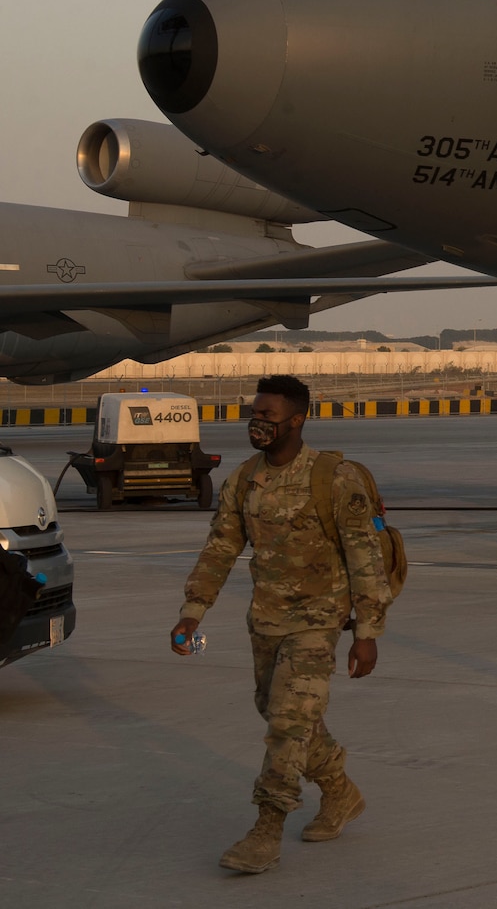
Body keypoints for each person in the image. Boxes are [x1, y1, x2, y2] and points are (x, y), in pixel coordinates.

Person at [170, 375, 390, 875]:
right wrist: (192, 611)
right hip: (266, 620)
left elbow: (365, 559)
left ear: (297, 419)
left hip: (319, 621)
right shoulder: (245, 478)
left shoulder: (333, 477)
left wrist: (368, 633)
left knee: (288, 723)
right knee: (278, 712)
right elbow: (221, 547)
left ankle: (266, 830)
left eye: (268, 415)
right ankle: (340, 793)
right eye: (255, 412)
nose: (257, 422)